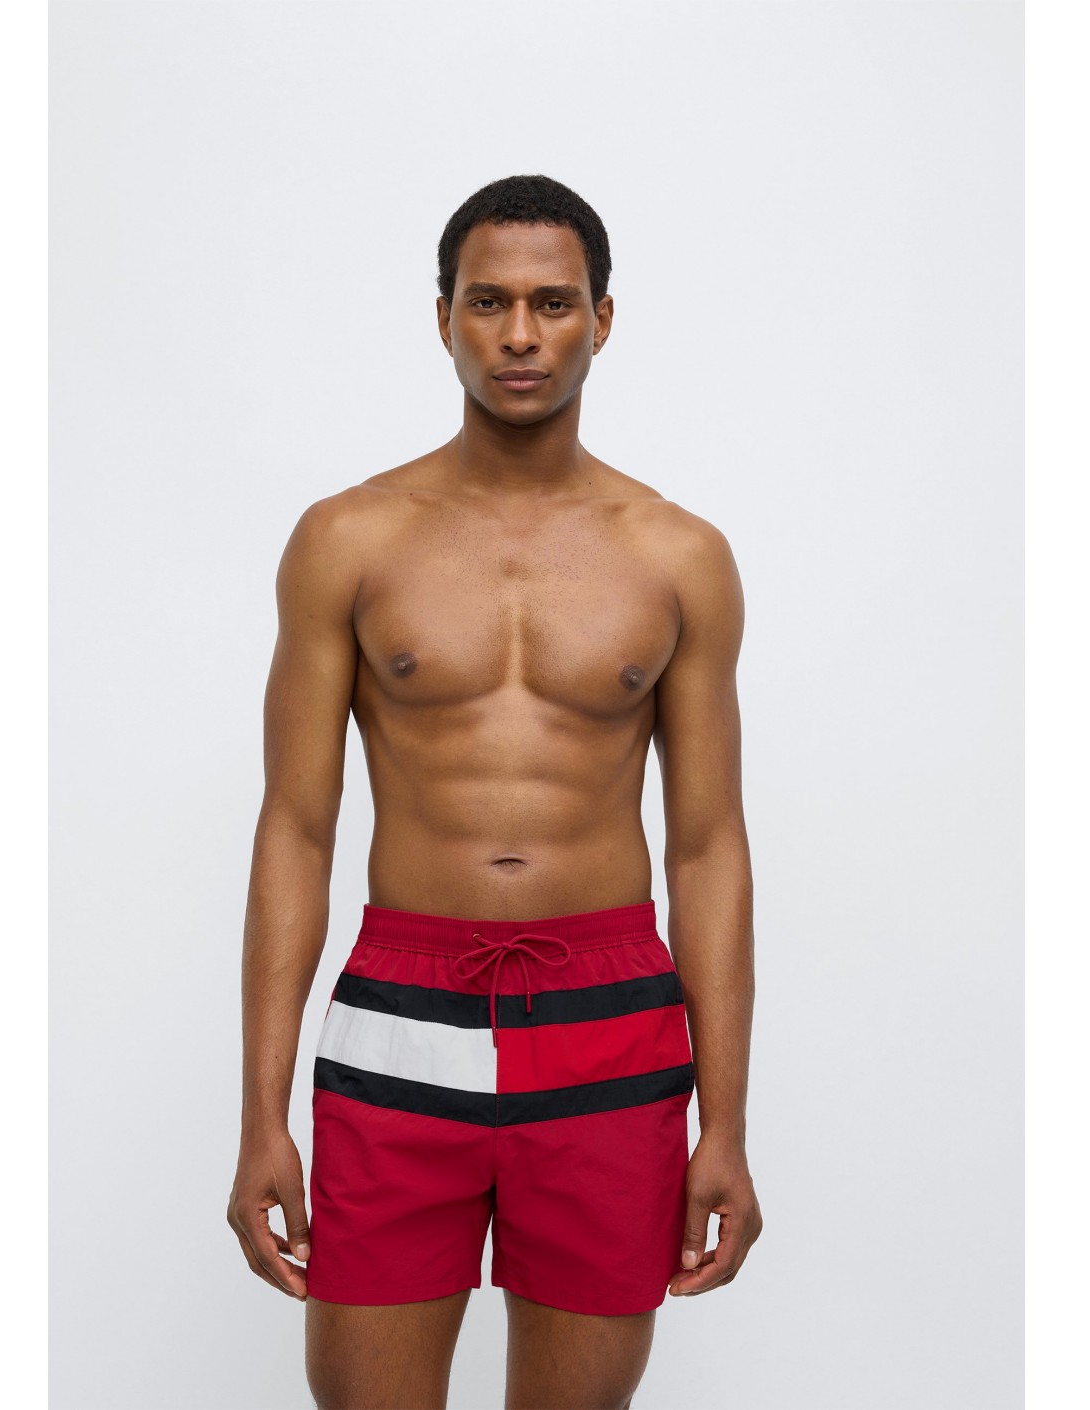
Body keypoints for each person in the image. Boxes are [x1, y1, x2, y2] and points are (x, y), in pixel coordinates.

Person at [227, 173, 762, 1410]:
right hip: (402, 1007)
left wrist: (725, 1126)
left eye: (553, 304)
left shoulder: (678, 556)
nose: (521, 335)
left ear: (602, 319)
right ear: (444, 318)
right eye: (489, 302)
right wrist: (261, 1115)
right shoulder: (348, 540)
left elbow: (708, 846)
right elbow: (296, 829)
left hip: (609, 1019)